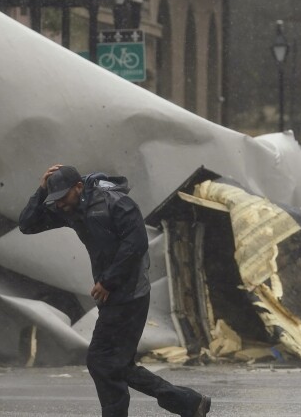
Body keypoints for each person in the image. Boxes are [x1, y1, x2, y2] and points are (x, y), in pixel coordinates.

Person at [20, 164, 211, 417]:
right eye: (56, 199)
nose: (60, 204)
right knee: (116, 365)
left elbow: (136, 244)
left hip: (130, 294)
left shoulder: (116, 203)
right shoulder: (72, 208)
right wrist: (42, 190)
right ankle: (189, 403)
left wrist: (108, 281)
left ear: (78, 187)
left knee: (101, 361)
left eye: (63, 197)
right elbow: (27, 225)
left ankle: (184, 402)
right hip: (113, 295)